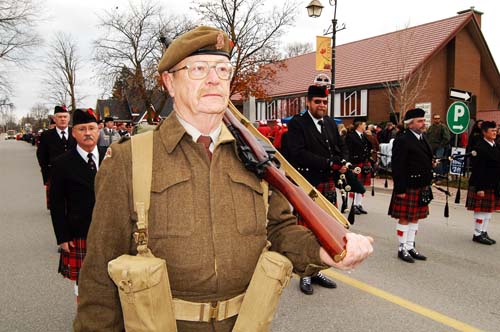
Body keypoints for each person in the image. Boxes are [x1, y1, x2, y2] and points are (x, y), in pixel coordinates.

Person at [73, 26, 373, 331]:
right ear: (169, 83)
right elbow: (100, 274)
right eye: (198, 69)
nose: (213, 78)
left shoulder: (258, 160)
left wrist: (324, 251)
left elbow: (281, 230)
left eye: (222, 69)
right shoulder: (130, 160)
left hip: (245, 322)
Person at [287, 85, 349, 295]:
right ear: (308, 102)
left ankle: (318, 271)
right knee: (307, 231)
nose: (321, 105)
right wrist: (328, 163)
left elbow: (340, 147)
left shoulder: (331, 123)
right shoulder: (298, 124)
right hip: (307, 184)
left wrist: (342, 161)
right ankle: (305, 273)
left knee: (325, 230)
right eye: (317, 102)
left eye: (324, 102)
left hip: (327, 184)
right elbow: (297, 154)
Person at [49, 109, 106, 301]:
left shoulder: (113, 157)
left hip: (112, 230)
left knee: (114, 279)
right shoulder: (61, 163)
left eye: (91, 128)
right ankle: (85, 321)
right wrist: (62, 236)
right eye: (82, 129)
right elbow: (56, 203)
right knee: (83, 284)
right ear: (74, 133)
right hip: (80, 231)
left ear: (99, 130)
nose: (88, 133)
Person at [388, 108, 433, 263]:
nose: (423, 123)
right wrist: (400, 188)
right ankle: (402, 248)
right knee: (405, 218)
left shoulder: (422, 138)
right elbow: (398, 166)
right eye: (420, 121)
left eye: (423, 120)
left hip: (421, 185)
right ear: (410, 124)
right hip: (408, 185)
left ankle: (410, 246)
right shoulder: (403, 139)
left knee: (415, 218)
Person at [465, 121, 500, 245]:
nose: (495, 133)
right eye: (492, 131)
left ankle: (484, 232)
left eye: (496, 130)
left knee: (488, 210)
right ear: (484, 132)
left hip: (493, 183)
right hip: (481, 183)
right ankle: (477, 233)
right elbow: (478, 169)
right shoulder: (480, 147)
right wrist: (480, 188)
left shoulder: (495, 145)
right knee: (481, 210)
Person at [36, 105, 76, 209]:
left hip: (74, 172)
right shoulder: (46, 135)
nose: (62, 119)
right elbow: (41, 155)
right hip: (54, 173)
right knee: (57, 205)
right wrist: (46, 173)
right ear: (54, 119)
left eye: (65, 116)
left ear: (69, 118)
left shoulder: (75, 132)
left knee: (74, 202)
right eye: (60, 117)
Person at [345, 121, 373, 214]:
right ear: (359, 125)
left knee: (362, 185)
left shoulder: (364, 136)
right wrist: (349, 164)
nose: (366, 126)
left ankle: (359, 204)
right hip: (355, 163)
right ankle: (353, 205)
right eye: (364, 124)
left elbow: (371, 147)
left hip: (364, 163)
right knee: (355, 185)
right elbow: (347, 150)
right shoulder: (351, 136)